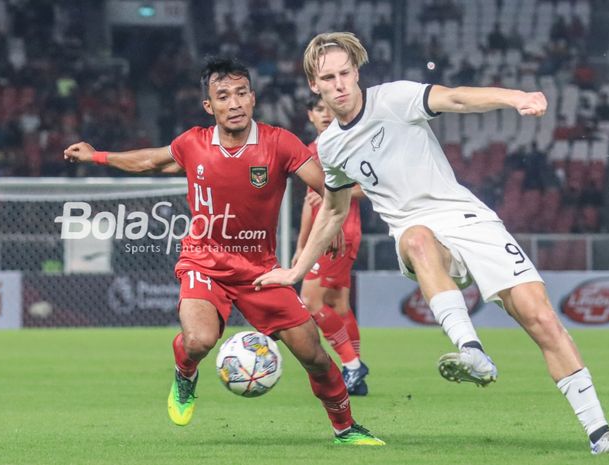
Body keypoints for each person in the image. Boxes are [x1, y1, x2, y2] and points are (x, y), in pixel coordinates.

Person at [253, 32, 609, 456]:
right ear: (314, 84)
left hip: (468, 218)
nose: (340, 85)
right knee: (419, 239)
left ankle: (600, 433)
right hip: (412, 231)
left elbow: (457, 99)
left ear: (357, 71)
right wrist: (295, 272)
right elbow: (333, 210)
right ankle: (470, 349)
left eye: (345, 73)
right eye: (328, 77)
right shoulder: (330, 147)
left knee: (542, 318)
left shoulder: (395, 99)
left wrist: (515, 97)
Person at [63, 56, 384, 446]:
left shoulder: (279, 142)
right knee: (199, 339)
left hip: (260, 269)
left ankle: (345, 428)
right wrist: (97, 155)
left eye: (241, 93)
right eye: (223, 96)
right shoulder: (193, 143)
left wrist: (330, 221)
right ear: (209, 106)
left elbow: (325, 184)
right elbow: (150, 161)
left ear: (253, 98)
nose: (234, 103)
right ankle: (185, 374)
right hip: (204, 259)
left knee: (314, 354)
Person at [296, 94, 369, 395]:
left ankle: (351, 366)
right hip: (323, 233)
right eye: (318, 109)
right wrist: (301, 245)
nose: (325, 114)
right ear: (310, 115)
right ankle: (357, 376)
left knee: (311, 303)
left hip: (339, 232)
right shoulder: (311, 150)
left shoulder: (347, 143)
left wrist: (338, 194)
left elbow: (368, 186)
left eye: (329, 108)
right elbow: (308, 202)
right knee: (338, 305)